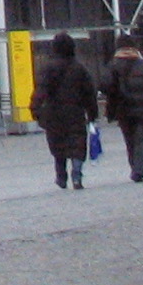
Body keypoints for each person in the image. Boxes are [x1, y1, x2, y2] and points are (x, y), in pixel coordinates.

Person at [31, 31, 98, 190]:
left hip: (53, 113)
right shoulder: (79, 68)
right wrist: (92, 113)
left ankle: (61, 176)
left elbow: (41, 90)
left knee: (58, 145)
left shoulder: (48, 68)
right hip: (75, 112)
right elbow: (89, 93)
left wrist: (35, 108)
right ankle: (76, 175)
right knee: (77, 144)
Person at [99, 35, 143, 183]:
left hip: (123, 108)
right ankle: (138, 170)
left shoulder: (113, 65)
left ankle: (135, 167)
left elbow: (104, 86)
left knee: (129, 140)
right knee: (139, 140)